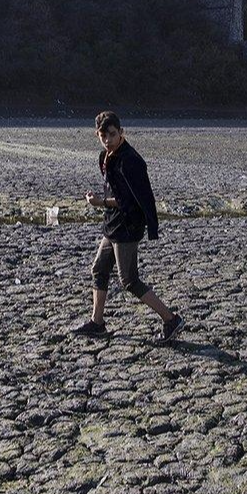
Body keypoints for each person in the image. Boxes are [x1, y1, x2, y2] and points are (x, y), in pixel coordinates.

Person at [71, 111, 185, 343]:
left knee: (129, 280)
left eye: (112, 135)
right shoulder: (106, 156)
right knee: (99, 269)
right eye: (103, 136)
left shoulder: (131, 160)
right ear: (98, 135)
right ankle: (97, 323)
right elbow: (116, 190)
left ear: (121, 132)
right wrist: (102, 200)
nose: (108, 140)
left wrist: (99, 202)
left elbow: (132, 200)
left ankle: (171, 319)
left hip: (128, 225)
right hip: (112, 223)